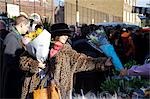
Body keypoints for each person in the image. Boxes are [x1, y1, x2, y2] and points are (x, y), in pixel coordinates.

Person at [19, 23, 112, 99]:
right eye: (63, 34)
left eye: (67, 35)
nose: (65, 37)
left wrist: (102, 63)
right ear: (55, 35)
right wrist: (36, 64)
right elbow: (22, 62)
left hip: (58, 93)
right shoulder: (39, 47)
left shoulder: (68, 53)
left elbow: (84, 61)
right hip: (35, 89)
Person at [2, 15, 30, 98]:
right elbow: (10, 61)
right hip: (12, 82)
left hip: (14, 80)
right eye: (27, 26)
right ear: (21, 25)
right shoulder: (12, 38)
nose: (27, 29)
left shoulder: (16, 37)